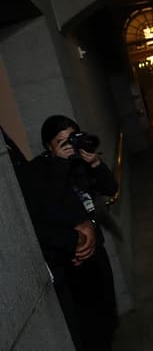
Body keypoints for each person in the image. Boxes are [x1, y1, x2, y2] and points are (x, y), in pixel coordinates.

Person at [19, 115, 118, 351]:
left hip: (97, 254)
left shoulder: (81, 162)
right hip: (71, 262)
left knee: (107, 317)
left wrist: (94, 163)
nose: (68, 145)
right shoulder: (40, 170)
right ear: (48, 146)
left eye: (72, 138)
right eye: (61, 141)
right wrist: (60, 163)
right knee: (87, 330)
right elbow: (50, 205)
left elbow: (109, 188)